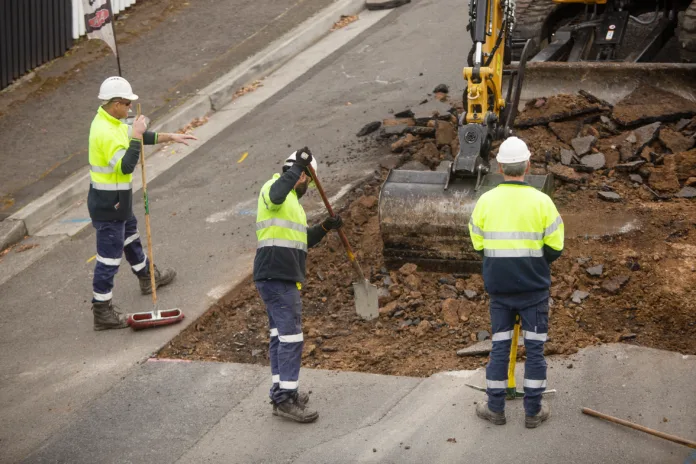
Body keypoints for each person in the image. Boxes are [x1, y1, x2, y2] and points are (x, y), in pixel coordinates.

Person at [468, 136, 564, 429]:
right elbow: (556, 247)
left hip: (500, 290)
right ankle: (533, 412)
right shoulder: (542, 202)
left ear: (499, 166)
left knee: (500, 347)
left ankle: (495, 408)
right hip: (534, 290)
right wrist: (534, 263)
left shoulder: (485, 201)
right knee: (535, 350)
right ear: (528, 165)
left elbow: (478, 244)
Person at [89, 76, 197, 331]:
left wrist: (169, 136)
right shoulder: (104, 132)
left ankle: (148, 278)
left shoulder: (112, 120)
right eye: (126, 104)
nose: (129, 108)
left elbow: (135, 134)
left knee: (131, 237)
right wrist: (136, 136)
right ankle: (102, 311)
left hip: (118, 200)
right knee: (109, 259)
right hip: (109, 205)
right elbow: (126, 166)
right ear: (114, 103)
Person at [254, 147, 343, 423]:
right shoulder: (274, 188)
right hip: (276, 277)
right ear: (304, 176)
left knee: (280, 337)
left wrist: (326, 228)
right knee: (291, 338)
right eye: (310, 180)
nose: (310, 187)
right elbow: (276, 193)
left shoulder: (293, 205)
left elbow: (302, 240)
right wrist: (298, 169)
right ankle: (285, 400)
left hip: (278, 276)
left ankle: (282, 391)